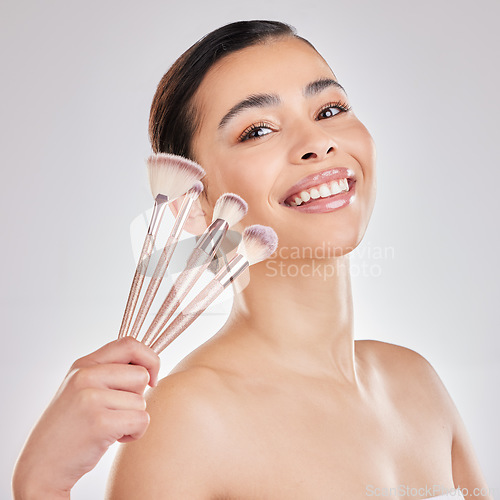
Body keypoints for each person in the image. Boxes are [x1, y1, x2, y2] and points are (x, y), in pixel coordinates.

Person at [13, 20, 491, 499]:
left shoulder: (416, 383)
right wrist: (41, 484)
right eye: (258, 130)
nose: (317, 143)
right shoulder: (189, 421)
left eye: (329, 108)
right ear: (194, 208)